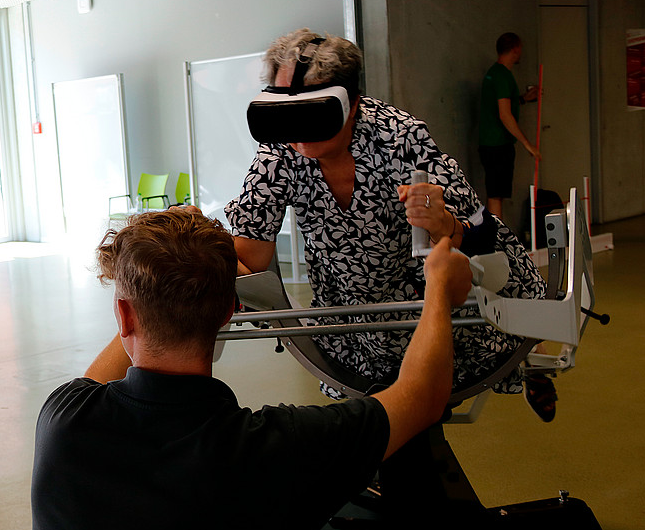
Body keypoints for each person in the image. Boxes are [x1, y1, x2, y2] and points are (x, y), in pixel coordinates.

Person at [30, 208, 471, 530]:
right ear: (229, 311)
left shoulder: (64, 420)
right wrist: (438, 287)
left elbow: (117, 355)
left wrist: (155, 286)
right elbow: (423, 396)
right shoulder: (273, 449)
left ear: (123, 315)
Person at [225, 28, 556, 420]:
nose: (298, 133)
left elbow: (482, 236)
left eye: (312, 113)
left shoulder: (398, 137)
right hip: (351, 316)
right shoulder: (278, 153)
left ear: (352, 105)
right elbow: (251, 262)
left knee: (455, 375)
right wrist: (200, 247)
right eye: (286, 111)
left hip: (428, 300)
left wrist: (442, 222)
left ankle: (532, 359)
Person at [477, 32, 541, 220]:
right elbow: (504, 114)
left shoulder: (495, 74)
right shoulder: (502, 76)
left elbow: (500, 105)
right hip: (498, 144)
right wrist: (527, 144)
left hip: (492, 143)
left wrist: (523, 99)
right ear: (515, 49)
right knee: (496, 194)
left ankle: (495, 232)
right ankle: (497, 234)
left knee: (496, 192)